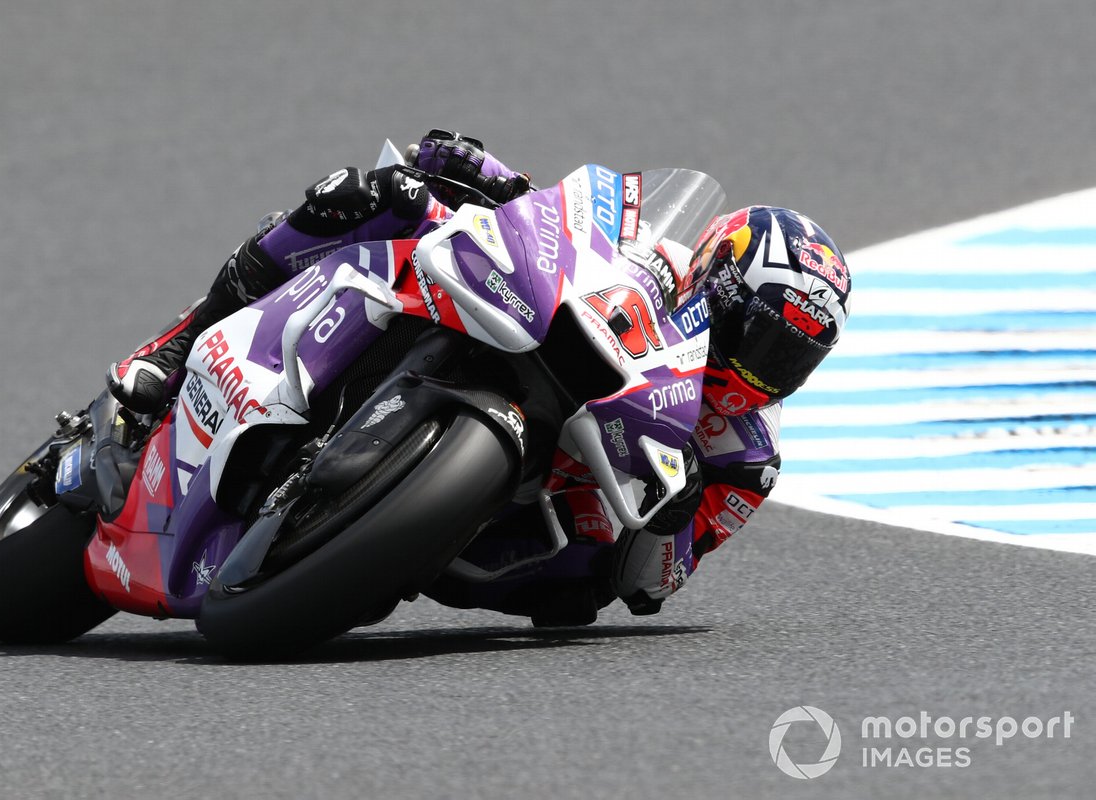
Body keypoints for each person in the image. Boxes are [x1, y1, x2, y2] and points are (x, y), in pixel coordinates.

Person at [107, 130, 851, 625]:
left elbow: (655, 586)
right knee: (368, 196)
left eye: (791, 359)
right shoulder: (652, 254)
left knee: (578, 598)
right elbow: (562, 222)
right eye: (760, 336)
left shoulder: (748, 457)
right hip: (526, 338)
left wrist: (670, 519)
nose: (764, 369)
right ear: (717, 279)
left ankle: (372, 541)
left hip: (541, 531)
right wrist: (486, 174)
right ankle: (178, 345)